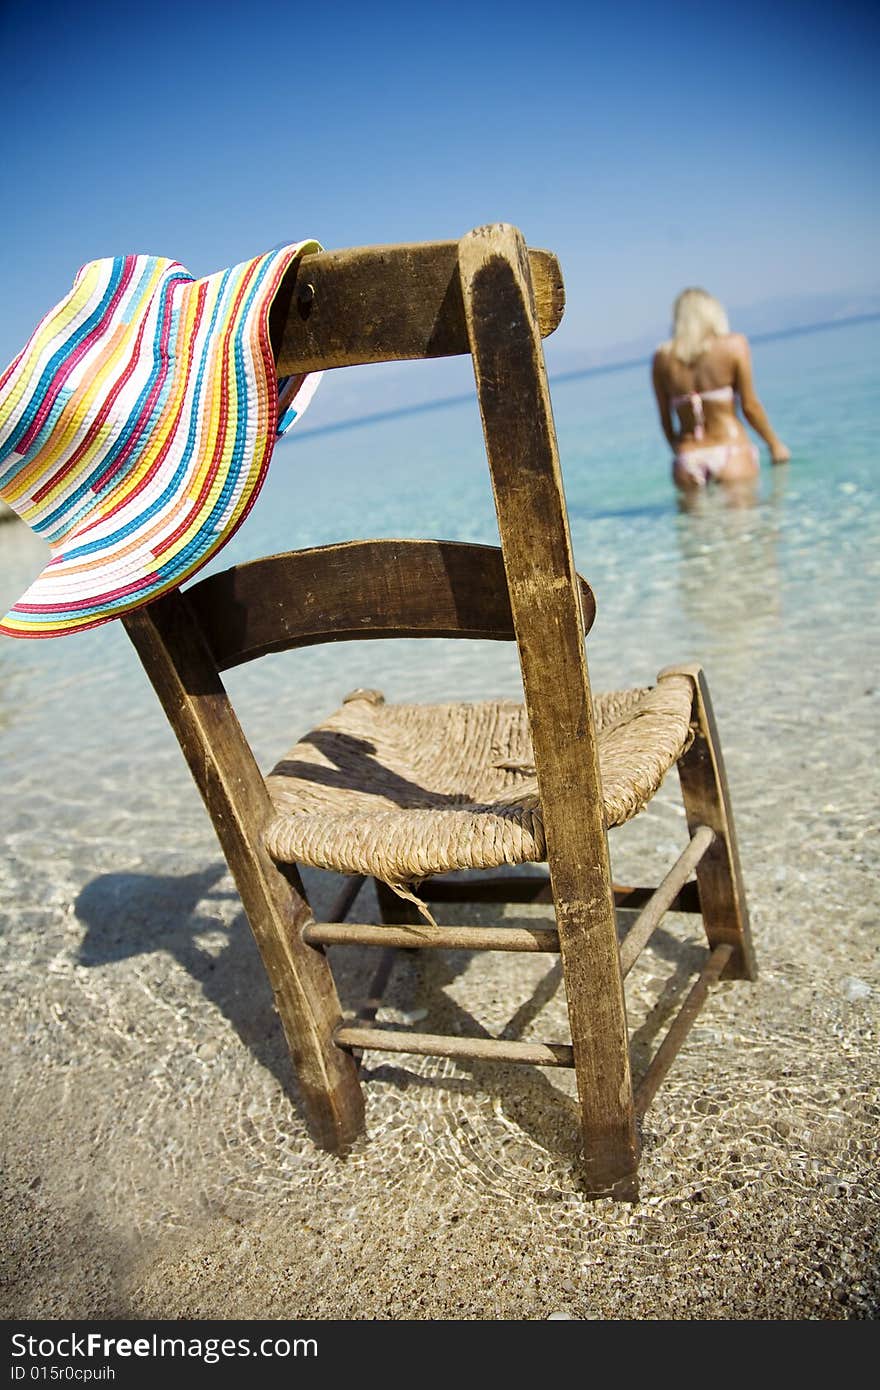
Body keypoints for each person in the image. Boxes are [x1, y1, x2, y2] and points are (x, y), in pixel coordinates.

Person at [652, 288, 790, 489]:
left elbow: (665, 420)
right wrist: (775, 445)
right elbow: (750, 406)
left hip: (688, 456)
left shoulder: (662, 358)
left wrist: (679, 449)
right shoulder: (734, 345)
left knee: (696, 521)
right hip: (731, 449)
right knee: (746, 521)